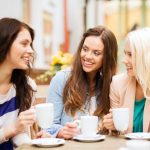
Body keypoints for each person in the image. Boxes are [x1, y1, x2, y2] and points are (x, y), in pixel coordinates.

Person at [45, 26, 118, 139]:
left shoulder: (111, 85)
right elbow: (47, 126)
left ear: (107, 58)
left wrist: (113, 125)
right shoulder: (61, 79)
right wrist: (61, 132)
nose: (87, 56)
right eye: (85, 49)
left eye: (96, 53)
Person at [103, 28, 150, 133]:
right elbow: (118, 132)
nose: (124, 60)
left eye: (131, 55)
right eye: (125, 54)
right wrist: (112, 125)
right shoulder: (117, 83)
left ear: (146, 57)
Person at [0, 17, 36, 149]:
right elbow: (14, 130)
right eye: (24, 43)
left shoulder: (27, 86)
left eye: (30, 45)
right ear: (5, 43)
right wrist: (12, 129)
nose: (31, 50)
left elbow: (19, 135)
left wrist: (34, 144)